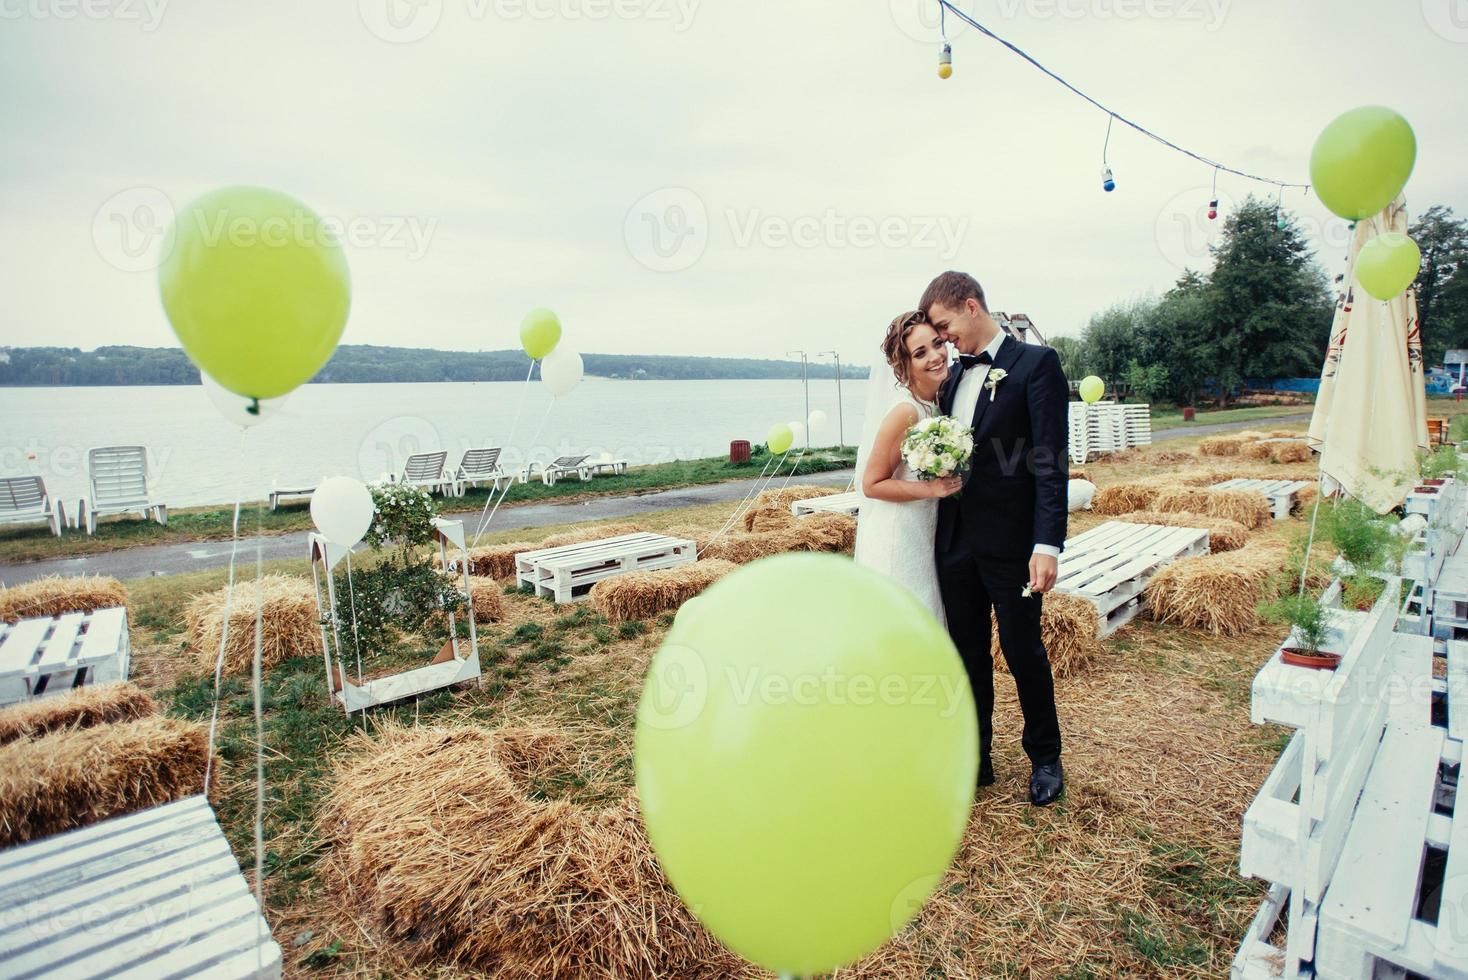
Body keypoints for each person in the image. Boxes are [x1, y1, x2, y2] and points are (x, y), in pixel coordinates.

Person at [920, 270, 1069, 807]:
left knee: (1023, 648)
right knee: (967, 652)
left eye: (945, 326)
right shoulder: (954, 378)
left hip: (1013, 544)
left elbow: (1051, 462)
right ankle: (977, 756)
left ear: (971, 305)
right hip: (955, 542)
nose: (943, 339)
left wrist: (1047, 544)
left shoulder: (1037, 365)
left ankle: (1045, 756)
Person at [852, 311, 963, 622]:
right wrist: (930, 488)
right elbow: (872, 484)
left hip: (921, 539)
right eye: (920, 353)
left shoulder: (934, 405)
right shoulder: (905, 411)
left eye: (937, 344)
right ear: (905, 366)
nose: (936, 356)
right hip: (896, 541)